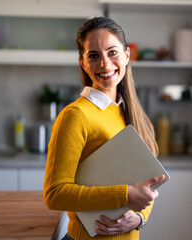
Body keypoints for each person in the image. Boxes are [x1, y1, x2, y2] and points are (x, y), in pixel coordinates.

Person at [43, 17, 165, 240]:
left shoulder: (132, 113)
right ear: (82, 63)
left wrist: (140, 218)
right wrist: (125, 195)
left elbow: (146, 186)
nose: (104, 64)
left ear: (127, 55)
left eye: (112, 52)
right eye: (93, 55)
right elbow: (55, 194)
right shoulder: (75, 116)